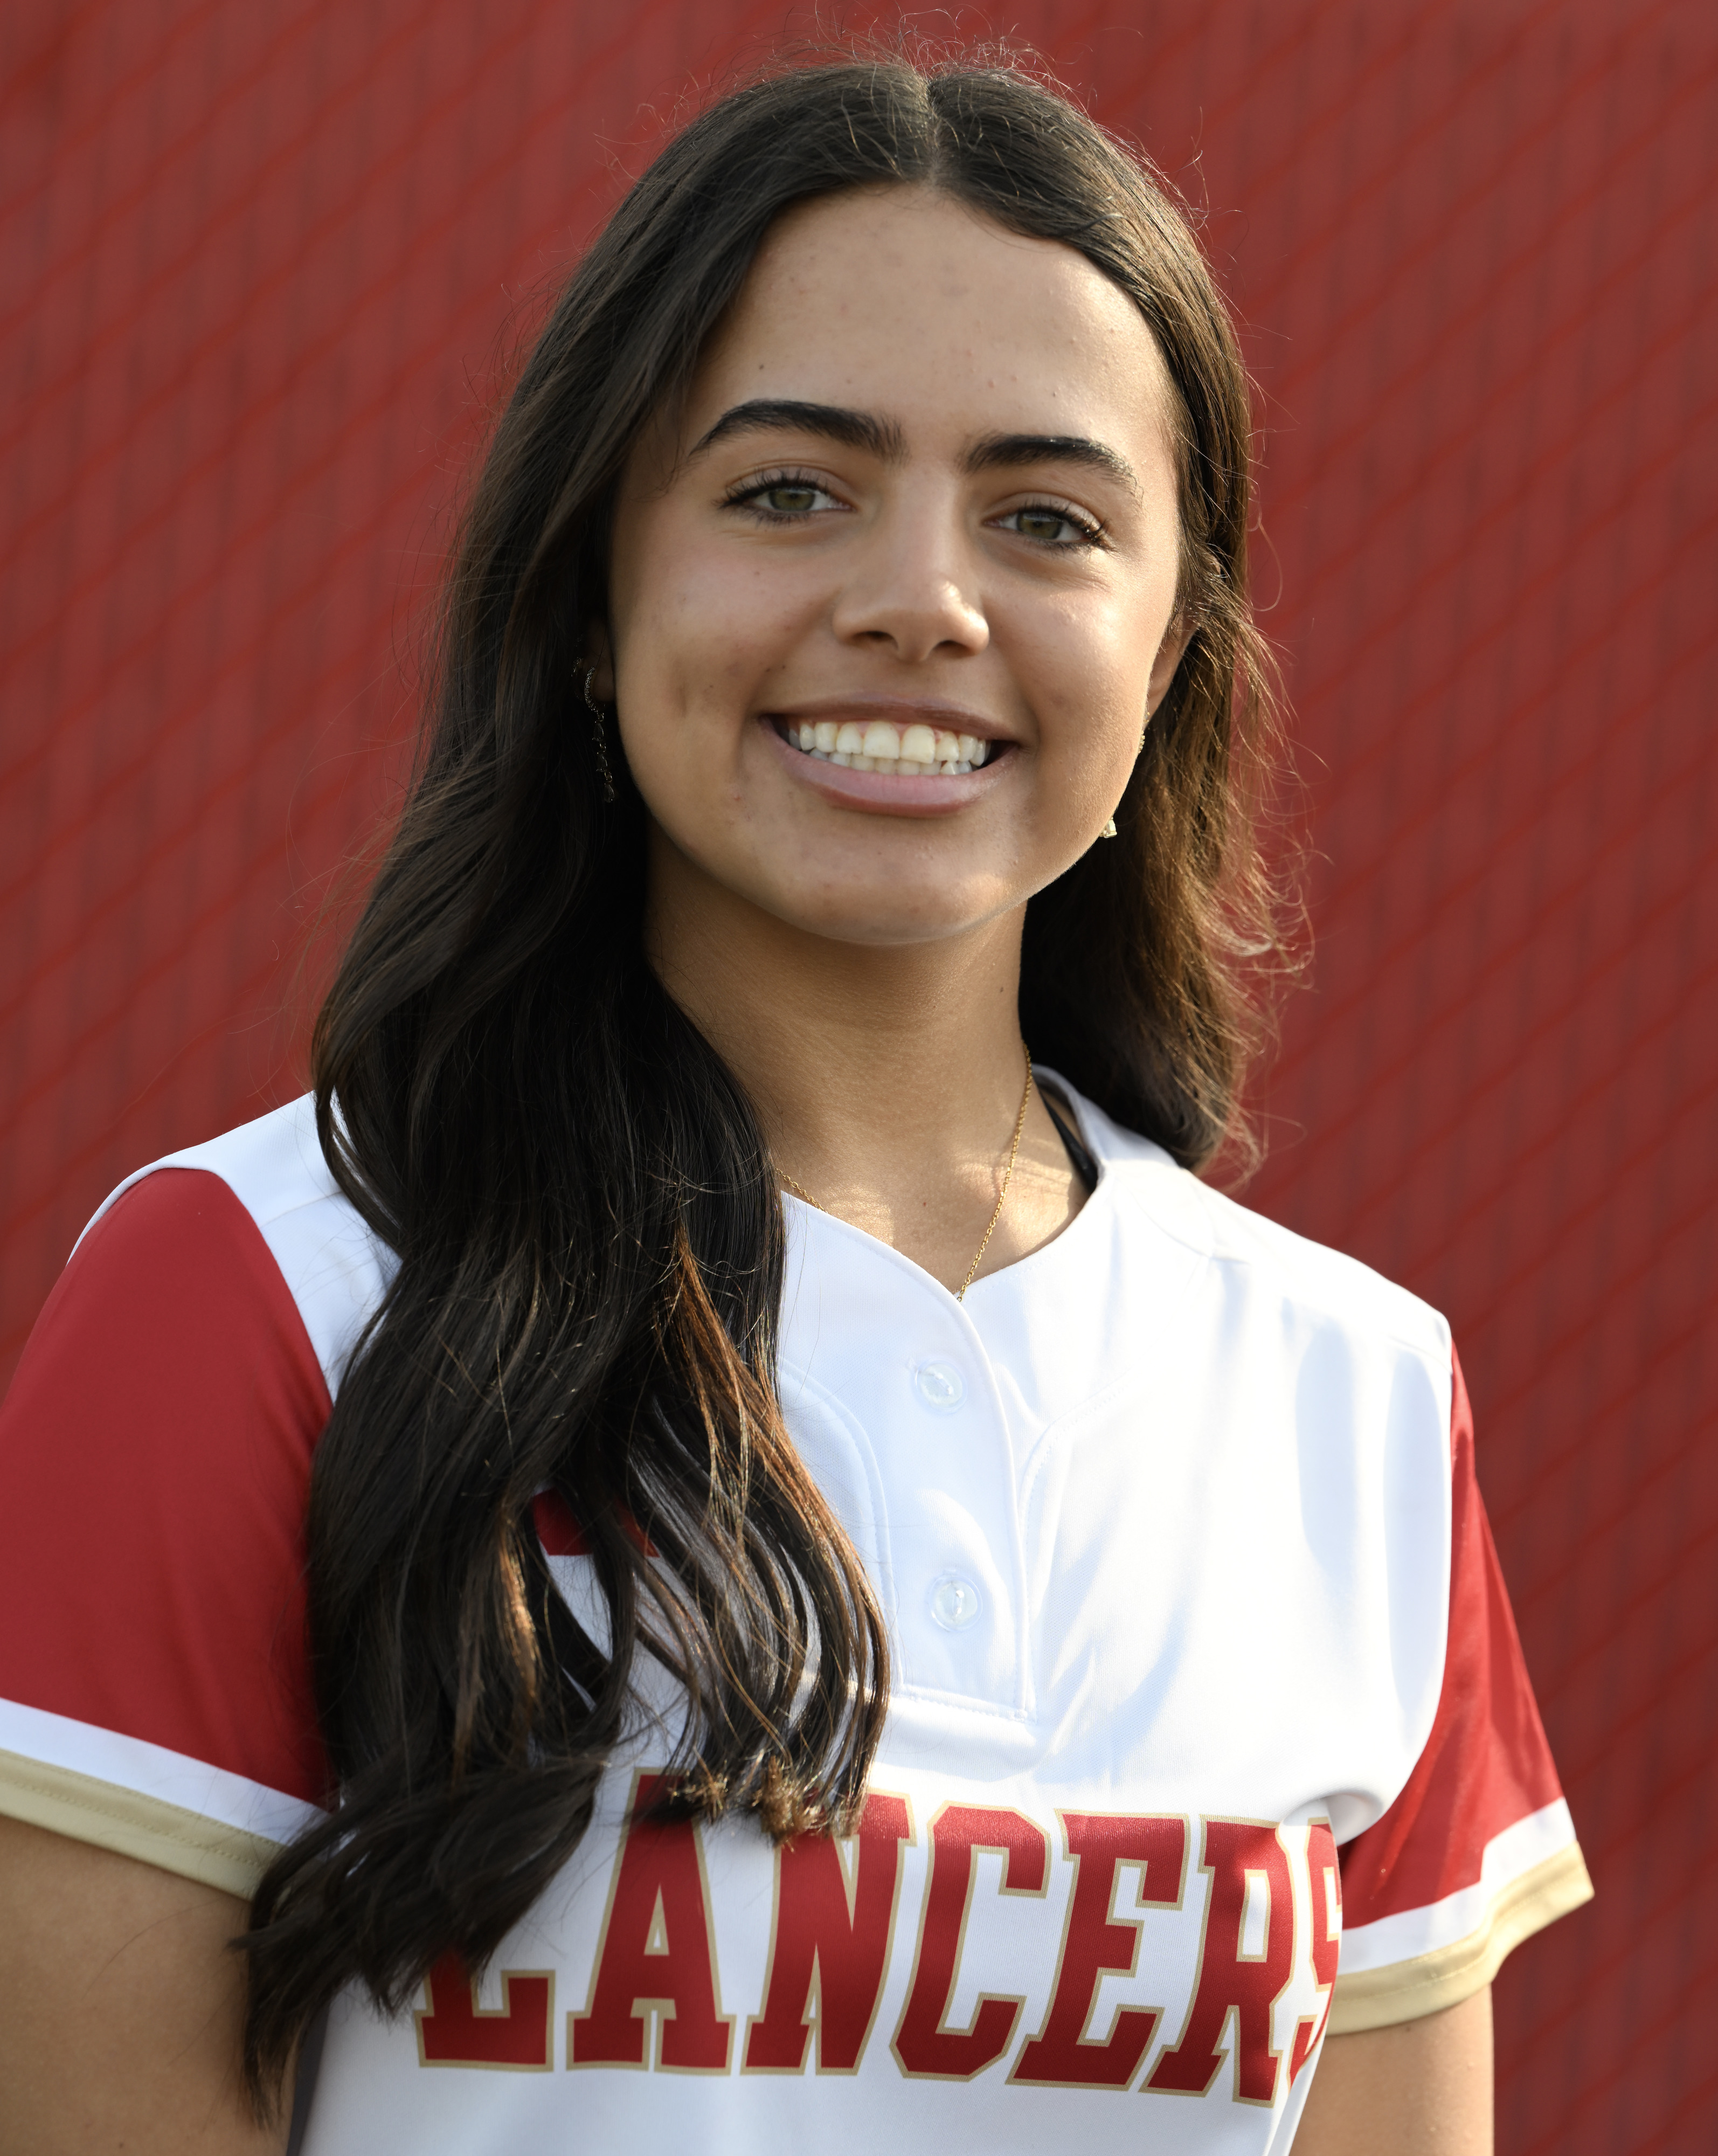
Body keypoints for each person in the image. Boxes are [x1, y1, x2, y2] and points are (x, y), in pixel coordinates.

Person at [0, 51, 1590, 2156]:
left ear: (1170, 650)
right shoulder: (258, 1295)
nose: (919, 598)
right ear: (591, 592)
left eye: (1045, 518)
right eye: (785, 491)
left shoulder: (1349, 1398)